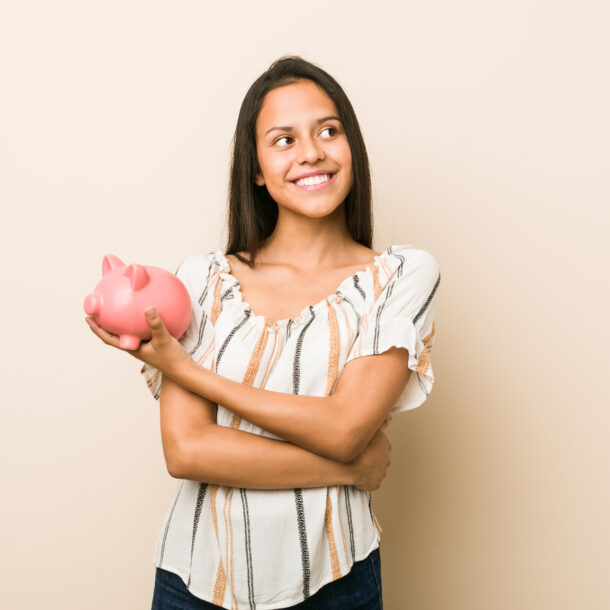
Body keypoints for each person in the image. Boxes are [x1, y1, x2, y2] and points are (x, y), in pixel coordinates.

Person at [86, 55, 440, 610]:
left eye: (329, 130)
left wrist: (189, 373)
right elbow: (187, 450)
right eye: (283, 140)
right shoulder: (201, 280)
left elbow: (347, 427)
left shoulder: (400, 277)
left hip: (336, 582)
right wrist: (351, 469)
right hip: (195, 582)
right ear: (255, 169)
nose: (311, 153)